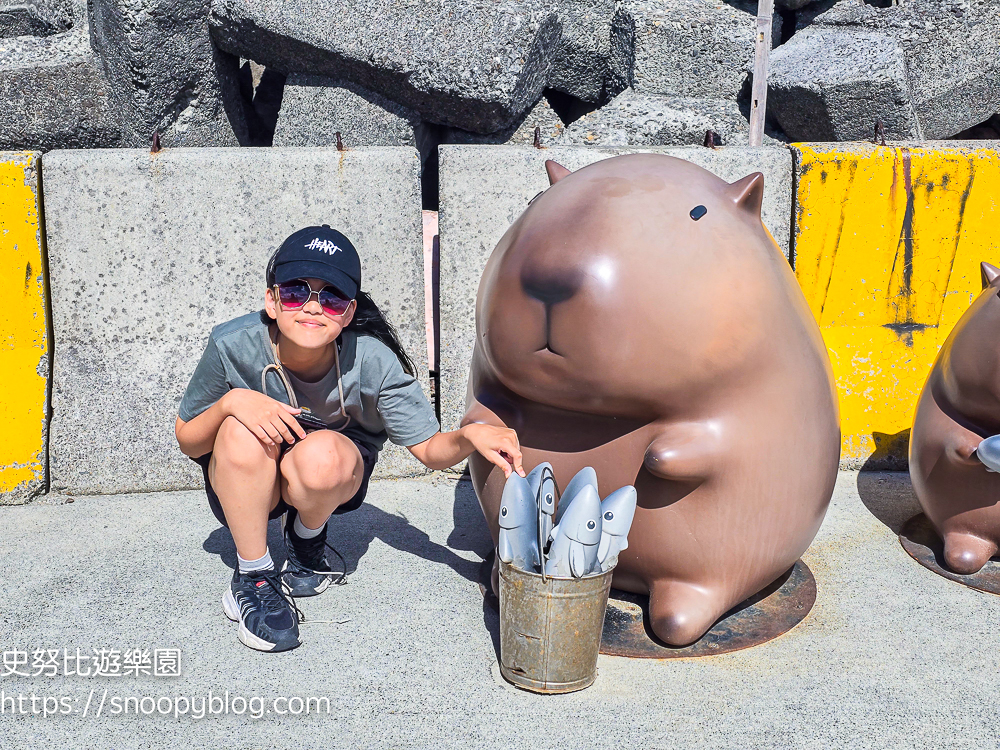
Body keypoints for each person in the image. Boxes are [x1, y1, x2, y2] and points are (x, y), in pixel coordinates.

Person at [175, 225, 523, 653]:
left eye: (332, 296)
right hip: (245, 478)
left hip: (325, 475)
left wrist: (470, 435)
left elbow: (430, 450)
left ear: (349, 310)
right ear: (271, 299)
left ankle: (306, 538)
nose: (313, 307)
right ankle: (254, 576)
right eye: (295, 291)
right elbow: (189, 439)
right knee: (236, 427)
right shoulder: (232, 343)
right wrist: (233, 403)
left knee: (324, 455)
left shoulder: (374, 360)